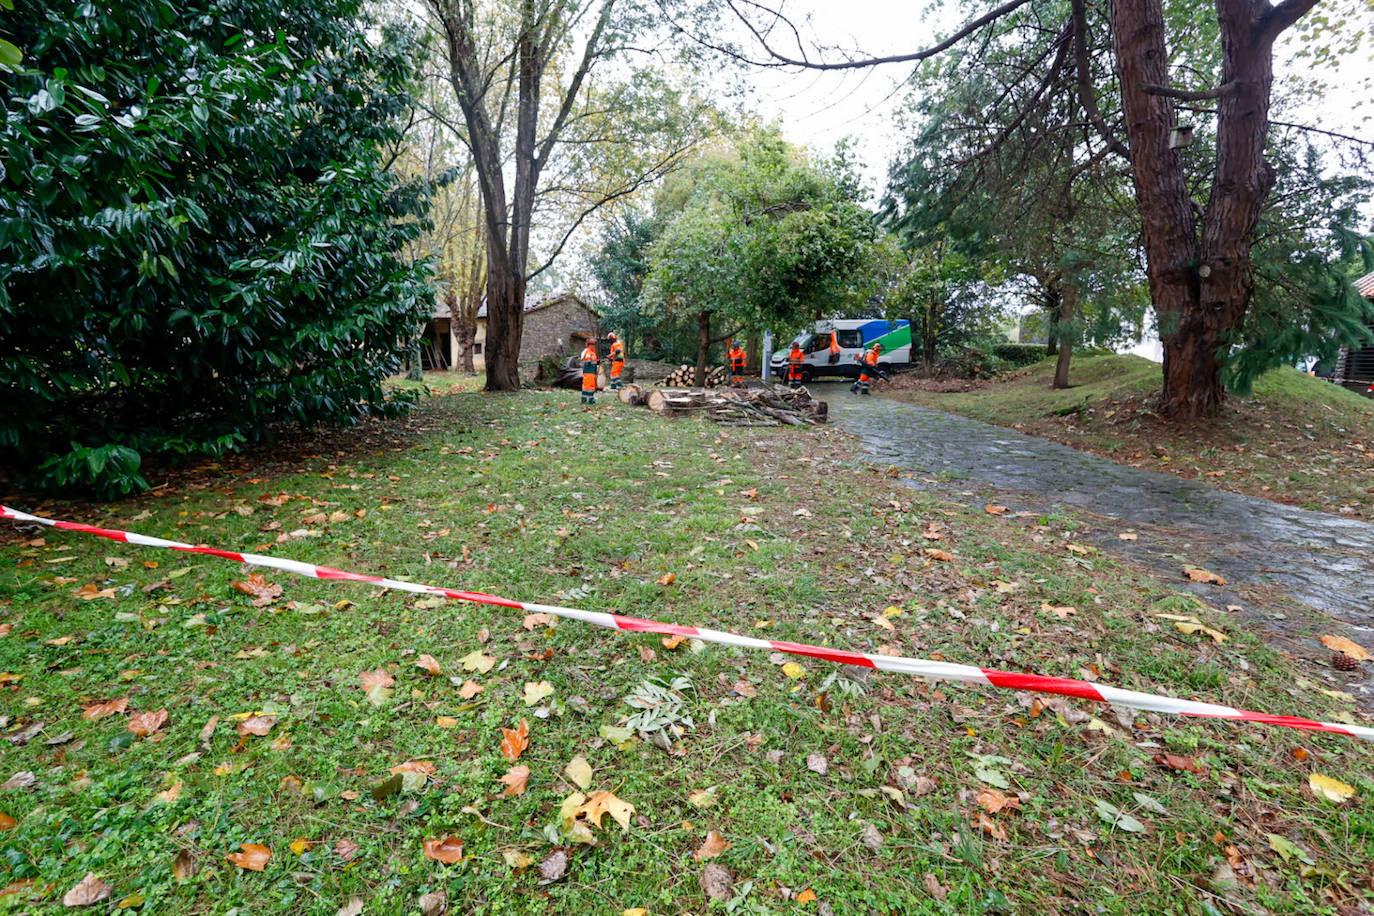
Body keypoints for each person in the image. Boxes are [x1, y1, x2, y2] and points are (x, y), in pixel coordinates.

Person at [579, 336, 599, 405]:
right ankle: (591, 399)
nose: (593, 346)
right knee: (590, 385)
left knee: (586, 385)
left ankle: (584, 399)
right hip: (589, 371)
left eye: (593, 344)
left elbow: (593, 361)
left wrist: (597, 362)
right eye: (591, 344)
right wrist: (590, 361)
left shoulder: (592, 352)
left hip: (590, 371)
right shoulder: (589, 352)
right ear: (588, 344)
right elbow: (588, 360)